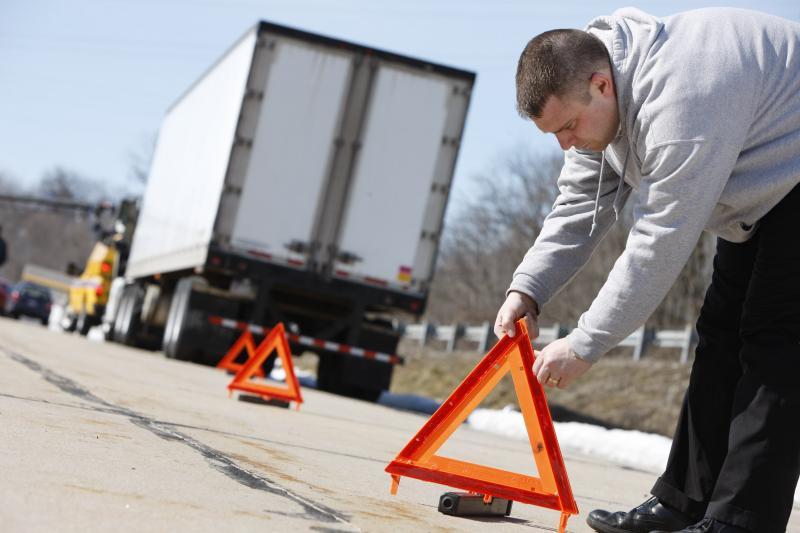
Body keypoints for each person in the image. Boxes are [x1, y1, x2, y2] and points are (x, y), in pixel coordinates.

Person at [494, 7, 800, 533]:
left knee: (774, 343)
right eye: (554, 134)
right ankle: (684, 503)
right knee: (719, 337)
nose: (566, 143)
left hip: (790, 176)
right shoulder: (594, 99)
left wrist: (585, 343)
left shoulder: (683, 100)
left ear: (600, 84)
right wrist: (528, 290)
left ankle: (740, 522)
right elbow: (577, 209)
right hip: (760, 187)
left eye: (567, 127)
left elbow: (659, 242)